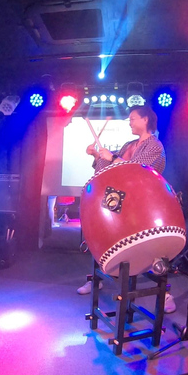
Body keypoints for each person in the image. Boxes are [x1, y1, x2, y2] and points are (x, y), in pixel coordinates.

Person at [77, 105, 176, 314]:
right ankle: (98, 278)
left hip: (144, 205)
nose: (129, 122)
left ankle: (164, 293)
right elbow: (110, 170)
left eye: (132, 118)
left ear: (145, 120)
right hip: (123, 201)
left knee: (151, 253)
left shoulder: (154, 146)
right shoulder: (129, 144)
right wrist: (97, 155)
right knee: (106, 237)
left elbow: (139, 171)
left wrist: (112, 157)